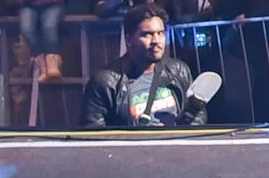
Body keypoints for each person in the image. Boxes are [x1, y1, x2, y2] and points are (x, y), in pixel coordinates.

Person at [81, 8, 214, 128]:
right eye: (147, 34)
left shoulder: (179, 70)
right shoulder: (105, 81)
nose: (156, 40)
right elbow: (94, 133)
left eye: (160, 33)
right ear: (128, 40)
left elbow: (197, 113)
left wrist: (180, 133)